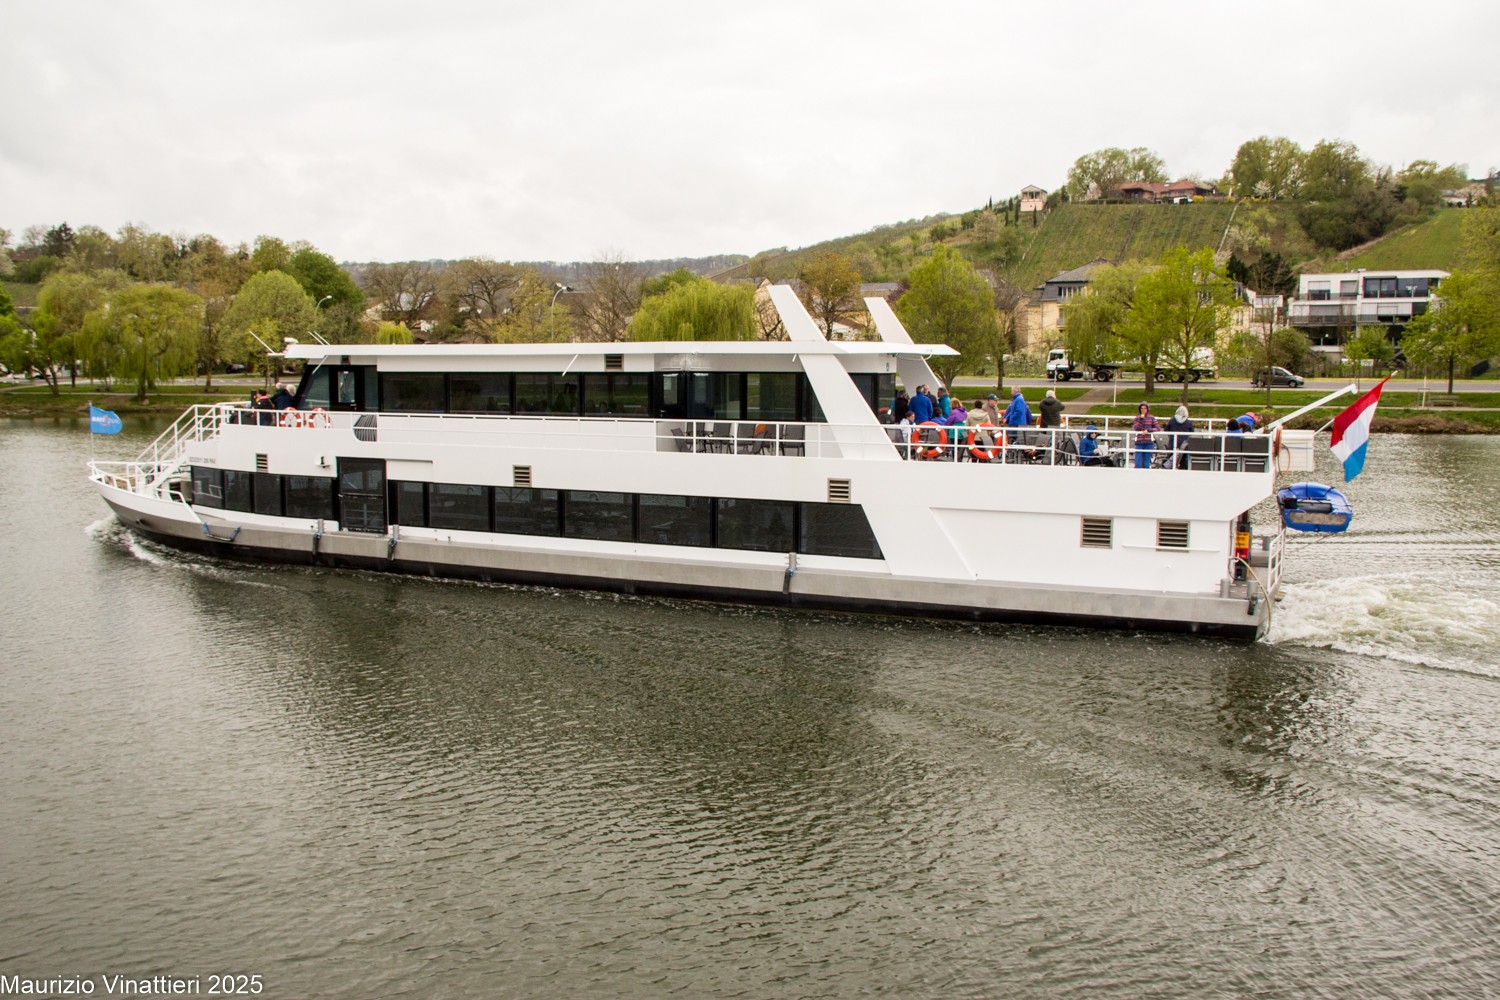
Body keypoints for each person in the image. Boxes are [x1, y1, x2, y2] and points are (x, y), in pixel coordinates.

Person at [1132, 402, 1161, 469]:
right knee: (1138, 463)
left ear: (1147, 409)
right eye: (1142, 408)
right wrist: (1141, 420)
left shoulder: (1152, 418)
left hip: (1148, 442)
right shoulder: (1137, 418)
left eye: (1145, 408)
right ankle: (1136, 473)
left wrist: (1148, 430)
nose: (1143, 410)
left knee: (1146, 463)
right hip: (1139, 442)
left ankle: (1146, 473)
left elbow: (1157, 428)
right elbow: (1136, 428)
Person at [1164, 404, 1194, 469]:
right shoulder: (1188, 422)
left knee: (1171, 459)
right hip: (1184, 445)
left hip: (1172, 444)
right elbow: (1192, 432)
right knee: (1184, 459)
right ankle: (1183, 469)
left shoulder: (1172, 420)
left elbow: (1166, 429)